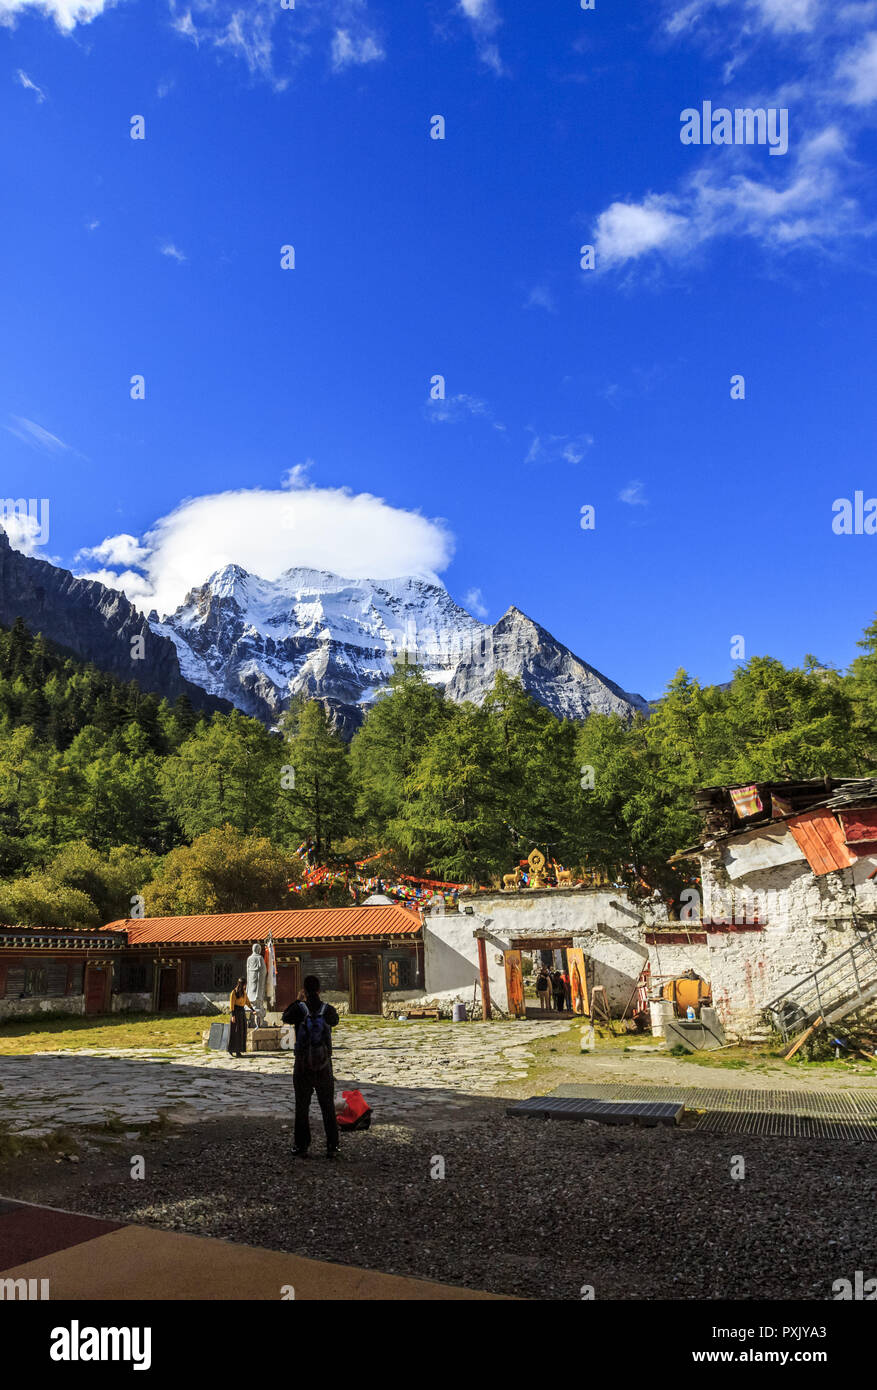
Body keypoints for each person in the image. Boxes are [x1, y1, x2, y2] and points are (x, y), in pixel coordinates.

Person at [282, 975, 341, 1159]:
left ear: (304, 991)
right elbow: (335, 1020)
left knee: (302, 1107)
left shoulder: (299, 1009)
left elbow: (285, 1017)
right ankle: (332, 1145)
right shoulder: (327, 1010)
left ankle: (302, 1145)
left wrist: (299, 1000)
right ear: (319, 990)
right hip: (324, 1066)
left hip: (302, 1066)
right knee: (327, 1107)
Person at [228, 977, 253, 1058]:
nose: (245, 986)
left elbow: (247, 1002)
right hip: (236, 1013)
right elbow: (231, 1005)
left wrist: (253, 1010)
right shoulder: (234, 992)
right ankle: (232, 1049)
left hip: (242, 1013)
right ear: (242, 984)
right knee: (235, 1032)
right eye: (245, 984)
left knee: (242, 1031)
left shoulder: (244, 993)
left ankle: (239, 1051)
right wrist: (233, 1016)